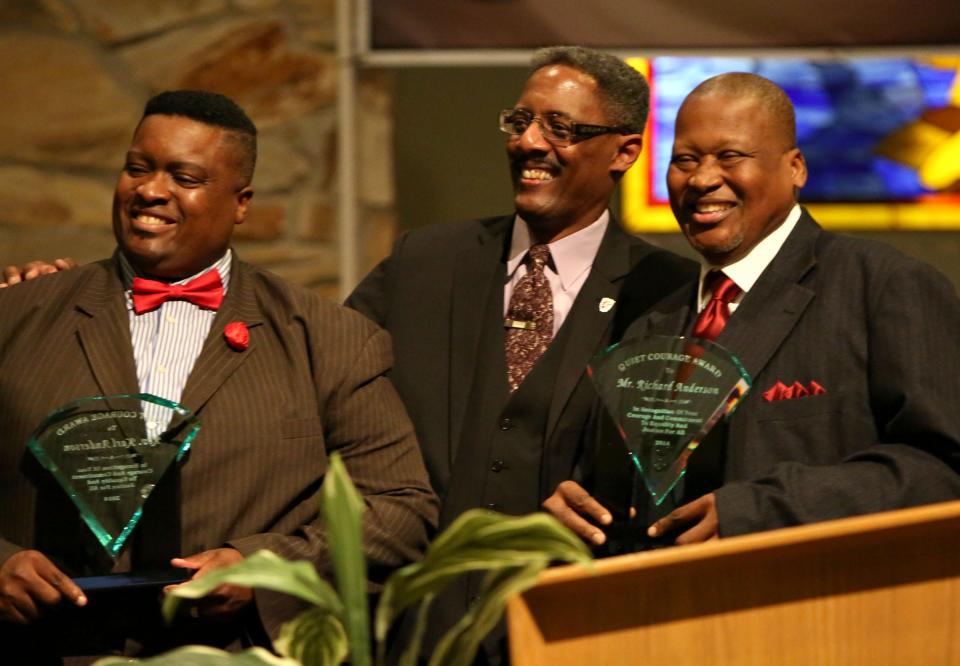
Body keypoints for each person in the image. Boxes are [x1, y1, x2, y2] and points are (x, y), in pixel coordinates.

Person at [0, 90, 438, 661]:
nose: (151, 190)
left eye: (184, 176)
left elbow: (402, 508)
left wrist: (264, 566)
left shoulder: (330, 340)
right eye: (138, 167)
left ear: (241, 203)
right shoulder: (17, 317)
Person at [344, 46, 694, 663]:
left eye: (560, 128)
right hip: (412, 631)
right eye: (520, 121)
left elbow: (682, 462)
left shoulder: (666, 294)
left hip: (573, 631)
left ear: (624, 151)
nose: (529, 142)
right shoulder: (424, 262)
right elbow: (329, 390)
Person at [543, 72, 960, 548]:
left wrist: (759, 510)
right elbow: (639, 491)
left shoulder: (882, 287)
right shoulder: (649, 328)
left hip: (819, 610)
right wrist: (581, 511)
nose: (701, 178)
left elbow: (944, 469)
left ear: (795, 168)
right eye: (684, 160)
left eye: (730, 157)